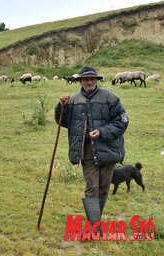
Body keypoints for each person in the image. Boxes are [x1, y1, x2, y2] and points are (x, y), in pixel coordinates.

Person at [55, 66, 129, 236]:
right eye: (86, 79)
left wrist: (102, 132)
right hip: (86, 151)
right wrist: (61, 107)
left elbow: (122, 121)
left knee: (103, 188)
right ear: (80, 81)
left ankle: (95, 224)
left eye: (92, 79)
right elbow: (64, 121)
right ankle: (94, 228)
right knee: (92, 188)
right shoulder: (73, 100)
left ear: (96, 80)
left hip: (108, 150)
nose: (89, 82)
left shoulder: (110, 97)